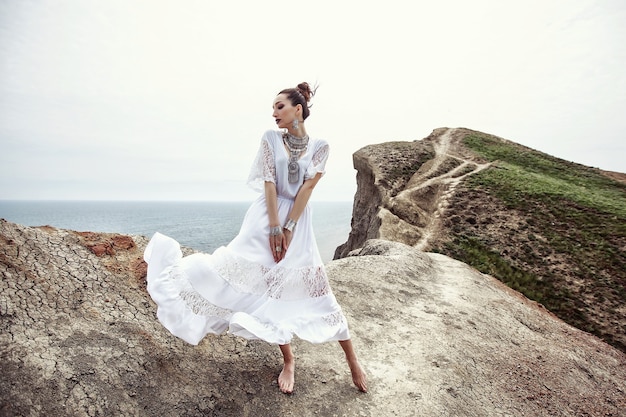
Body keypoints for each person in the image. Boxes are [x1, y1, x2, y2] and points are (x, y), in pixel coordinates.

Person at [143, 82, 367, 394]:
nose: (273, 113)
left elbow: (307, 189)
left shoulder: (320, 146)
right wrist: (275, 228)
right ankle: (288, 360)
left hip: (298, 223)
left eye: (280, 107)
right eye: (274, 107)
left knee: (317, 290)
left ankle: (353, 361)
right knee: (254, 285)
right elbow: (270, 183)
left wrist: (289, 228)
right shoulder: (270, 139)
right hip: (264, 218)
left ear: (297, 109)